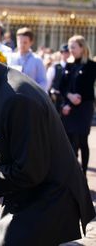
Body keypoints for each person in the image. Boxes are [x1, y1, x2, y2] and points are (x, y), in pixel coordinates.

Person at [0, 29, 95, 245]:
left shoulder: (16, 97)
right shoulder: (1, 85)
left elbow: (30, 170)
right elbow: (17, 147)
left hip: (48, 202)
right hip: (32, 196)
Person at [59, 35, 96, 177]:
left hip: (84, 108)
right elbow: (62, 86)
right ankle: (72, 173)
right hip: (69, 107)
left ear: (82, 47)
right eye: (69, 47)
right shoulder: (69, 65)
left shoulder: (92, 66)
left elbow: (87, 88)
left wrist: (76, 99)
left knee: (82, 139)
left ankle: (84, 172)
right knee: (70, 140)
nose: (70, 50)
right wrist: (69, 98)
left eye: (73, 47)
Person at [10, 27, 48, 91]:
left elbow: (43, 82)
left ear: (31, 42)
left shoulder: (37, 60)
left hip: (31, 97)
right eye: (20, 42)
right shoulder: (10, 58)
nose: (22, 45)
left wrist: (34, 92)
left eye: (25, 42)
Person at [46, 43, 70, 112]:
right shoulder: (55, 67)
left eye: (68, 52)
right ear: (61, 53)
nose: (66, 54)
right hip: (55, 97)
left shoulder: (72, 67)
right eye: (64, 52)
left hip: (67, 97)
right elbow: (48, 83)